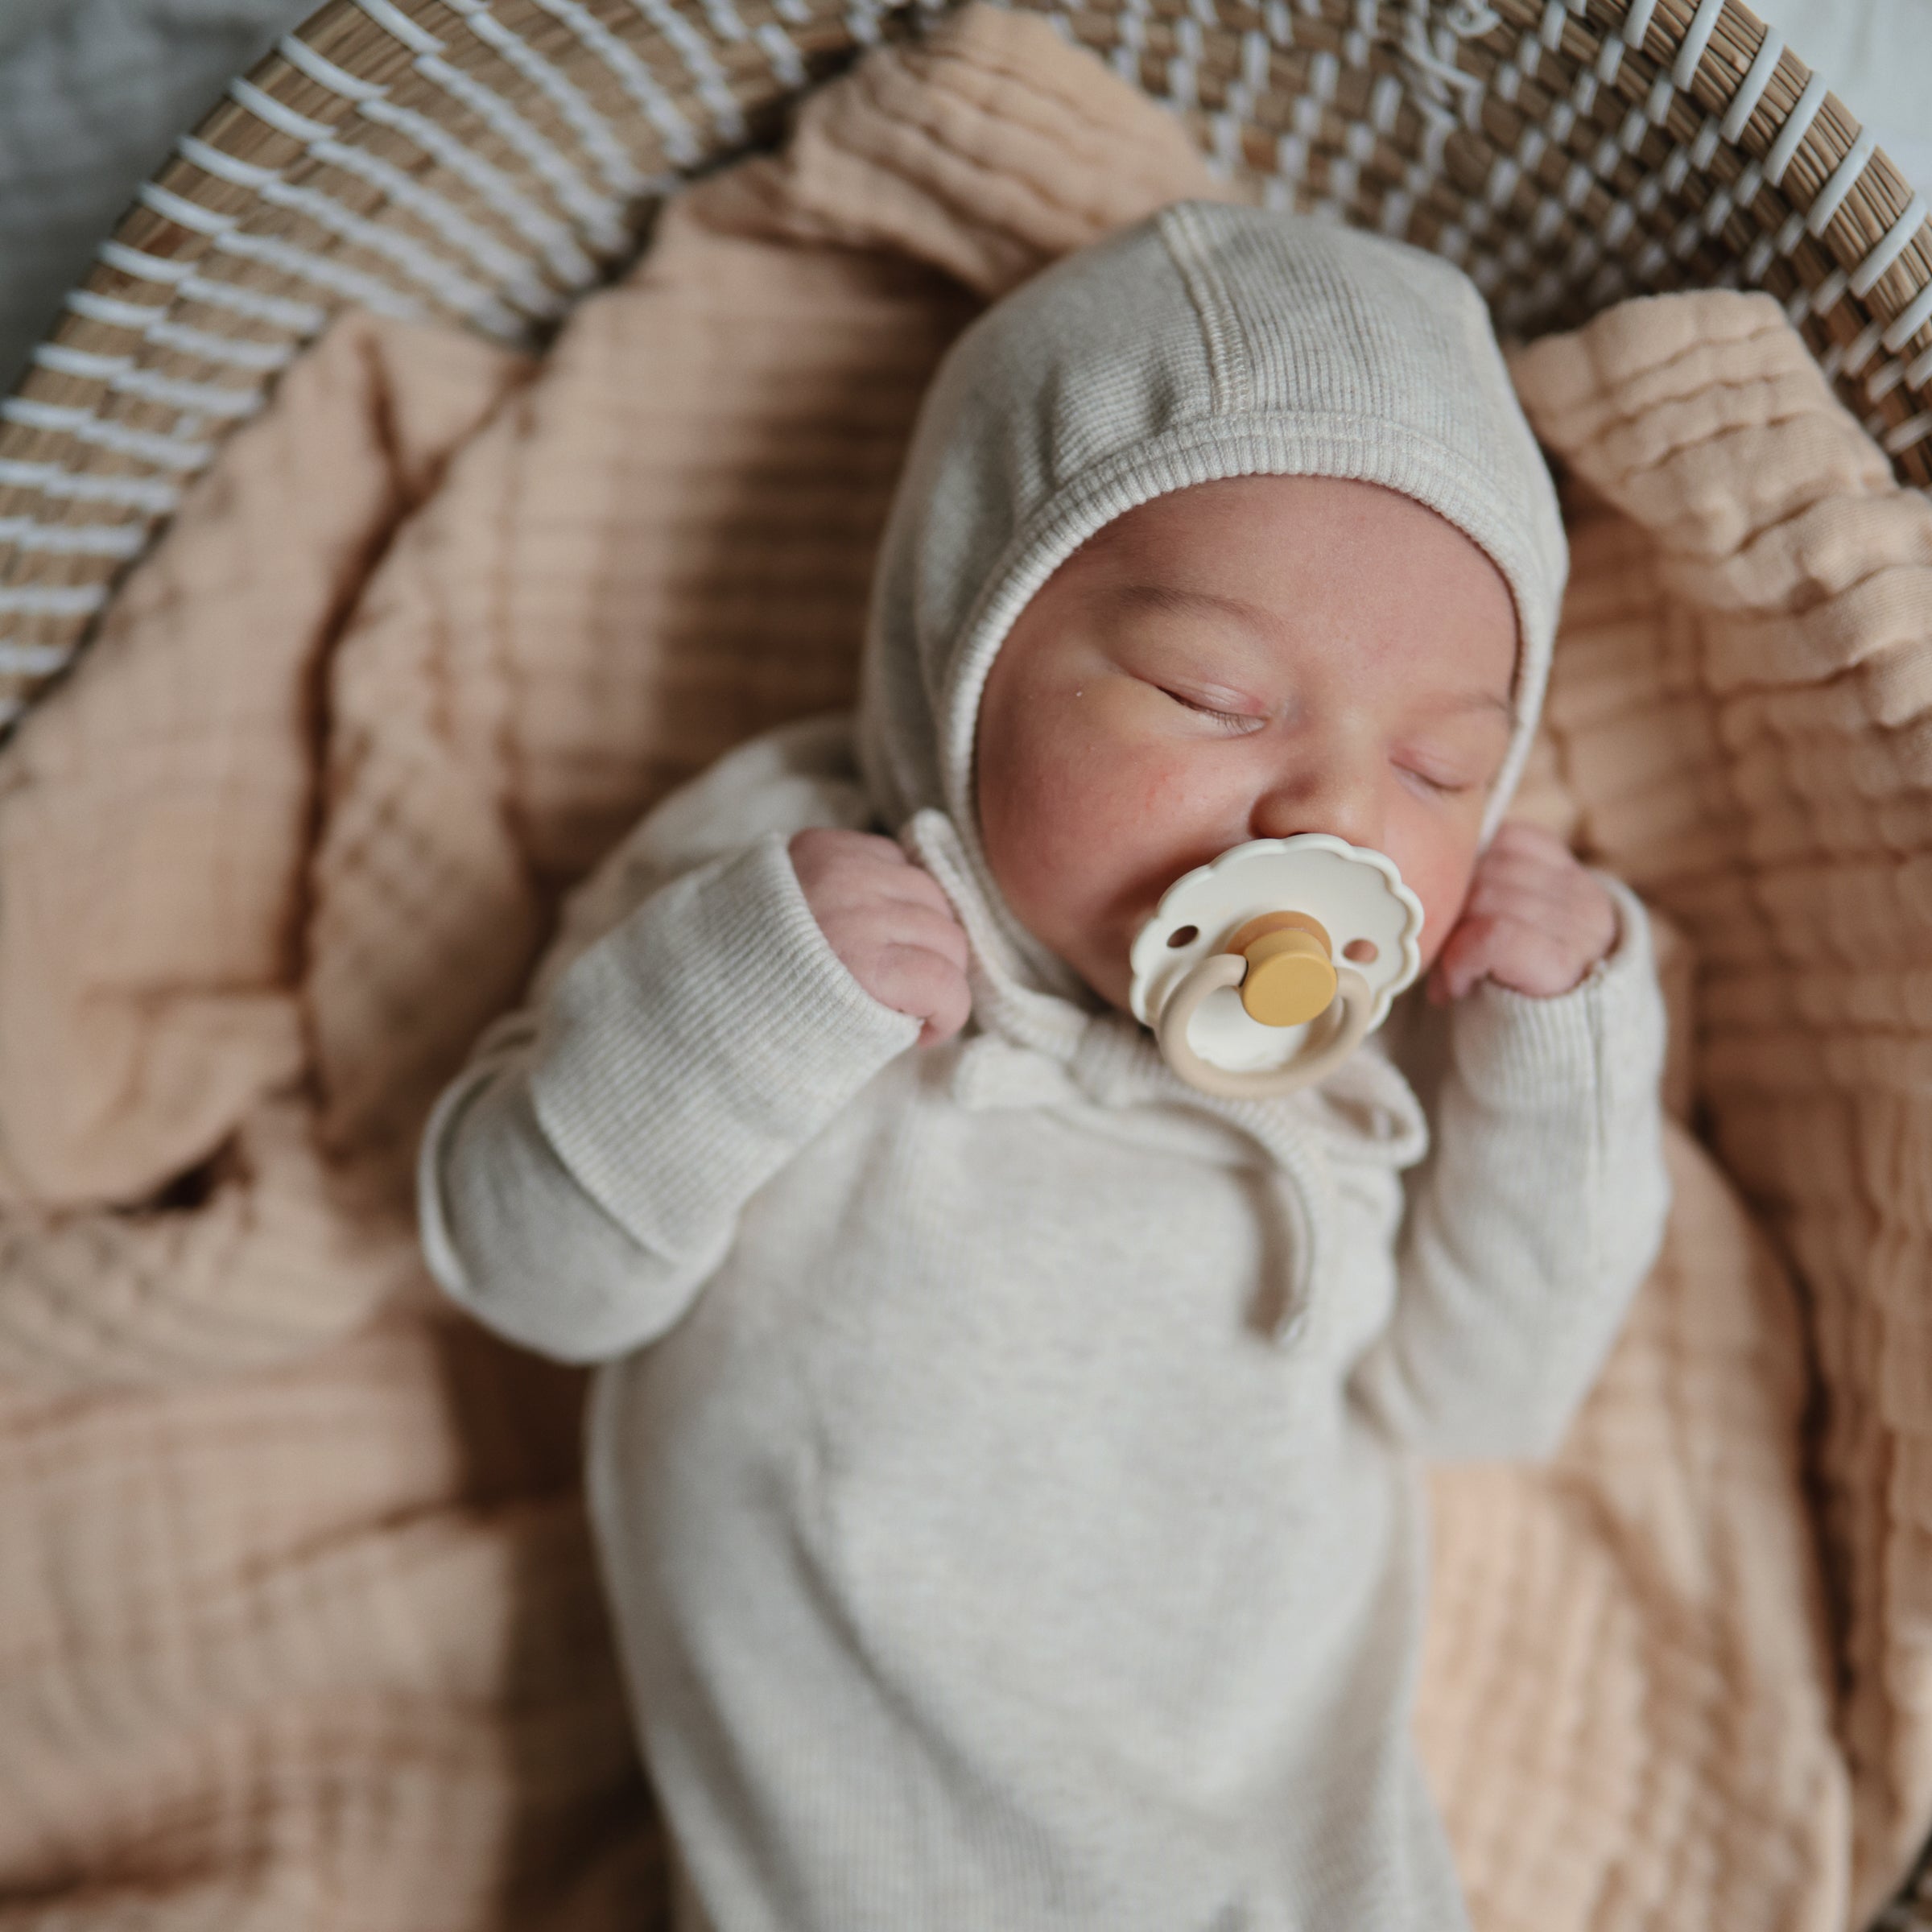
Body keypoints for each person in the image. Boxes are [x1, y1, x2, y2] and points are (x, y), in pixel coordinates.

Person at [415, 200, 1670, 1930]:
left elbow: (1487, 1401)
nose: (1334, 816)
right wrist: (744, 1006)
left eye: (1443, 772)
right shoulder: (777, 902)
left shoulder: (1367, 1069)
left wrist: (1564, 1051)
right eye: (1214, 695)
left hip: (1285, 1867)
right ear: (969, 641)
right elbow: (527, 1272)